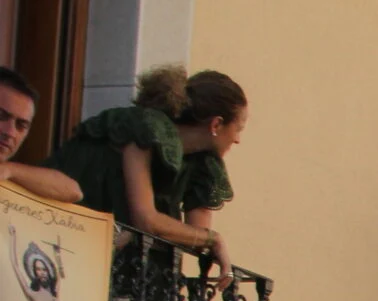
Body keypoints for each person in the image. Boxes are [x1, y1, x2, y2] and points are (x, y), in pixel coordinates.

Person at [38, 65, 243, 277]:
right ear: (216, 125)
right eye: (239, 128)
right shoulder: (144, 129)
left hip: (116, 266)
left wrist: (207, 240)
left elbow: (196, 238)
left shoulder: (203, 163)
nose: (238, 139)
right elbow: (145, 219)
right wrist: (213, 239)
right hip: (59, 233)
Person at [0, 67, 81, 202]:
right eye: (1, 116)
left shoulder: (11, 174)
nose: (10, 132)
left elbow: (73, 191)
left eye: (21, 125)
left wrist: (9, 170)